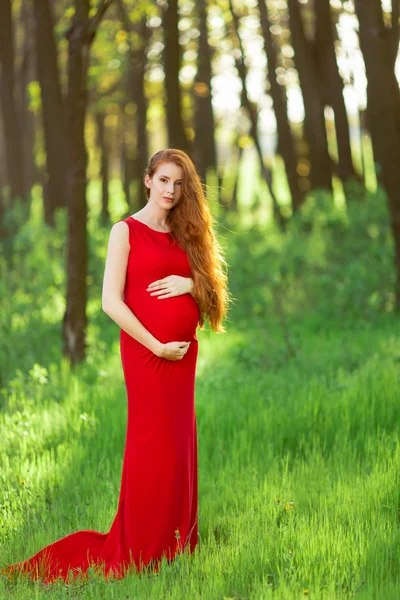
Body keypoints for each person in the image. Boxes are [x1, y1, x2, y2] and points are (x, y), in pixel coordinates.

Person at [1, 148, 230, 584]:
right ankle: (144, 542)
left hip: (181, 356)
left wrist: (190, 282)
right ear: (147, 180)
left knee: (179, 442)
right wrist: (156, 344)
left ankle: (177, 537)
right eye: (163, 180)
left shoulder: (186, 233)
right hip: (146, 353)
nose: (171, 190)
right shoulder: (124, 231)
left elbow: (215, 294)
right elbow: (110, 301)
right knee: (151, 442)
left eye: (179, 184)